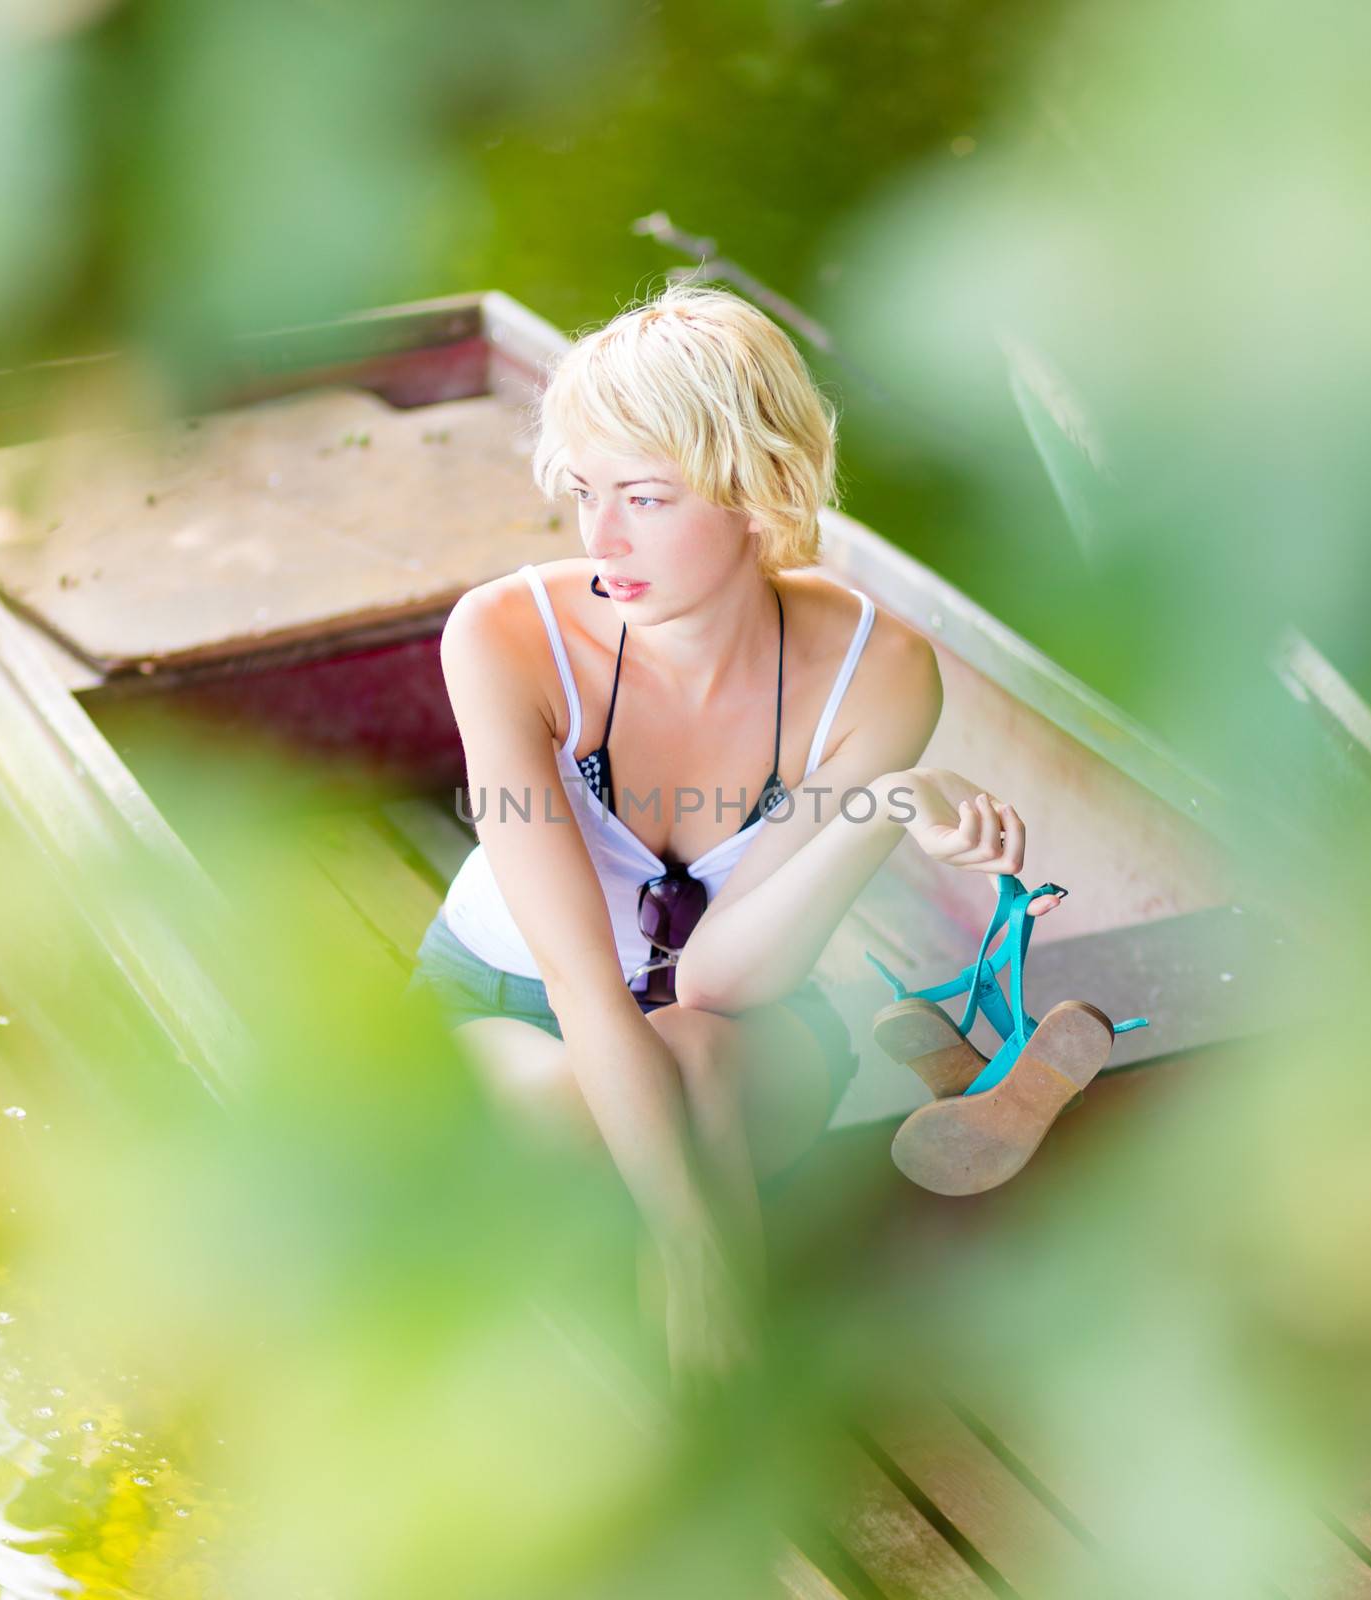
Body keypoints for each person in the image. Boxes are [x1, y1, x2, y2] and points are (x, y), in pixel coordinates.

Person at [406, 284, 1062, 1392]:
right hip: (515, 1009)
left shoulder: (878, 671)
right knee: (624, 1106)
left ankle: (691, 1324)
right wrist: (694, 1246)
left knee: (701, 1050)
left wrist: (881, 808)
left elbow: (720, 976)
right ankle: (726, 1307)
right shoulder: (507, 635)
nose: (602, 538)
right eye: (585, 492)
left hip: (740, 1021)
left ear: (756, 492)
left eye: (647, 498)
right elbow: (581, 984)